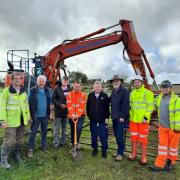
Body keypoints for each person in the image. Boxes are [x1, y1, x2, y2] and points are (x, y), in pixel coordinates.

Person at [0, 72, 30, 169]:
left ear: (21, 80)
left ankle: (17, 156)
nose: (18, 80)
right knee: (9, 141)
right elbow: (2, 107)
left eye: (19, 78)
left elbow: (26, 105)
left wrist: (28, 117)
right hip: (11, 121)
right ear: (12, 80)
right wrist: (3, 120)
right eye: (16, 78)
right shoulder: (6, 91)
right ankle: (3, 161)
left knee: (20, 140)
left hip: (22, 120)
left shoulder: (23, 91)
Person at [150, 80, 180, 172]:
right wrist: (150, 113)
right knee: (162, 147)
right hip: (162, 127)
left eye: (166, 87)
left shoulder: (176, 100)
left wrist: (177, 128)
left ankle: (171, 163)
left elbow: (178, 114)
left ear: (170, 88)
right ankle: (159, 165)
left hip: (174, 129)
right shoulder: (159, 98)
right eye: (163, 87)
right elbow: (154, 107)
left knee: (173, 148)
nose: (164, 89)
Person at [128, 75, 154, 164]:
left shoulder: (148, 93)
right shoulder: (132, 93)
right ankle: (133, 154)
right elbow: (130, 106)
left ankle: (143, 157)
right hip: (133, 120)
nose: (136, 83)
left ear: (141, 83)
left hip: (143, 121)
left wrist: (146, 117)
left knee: (143, 139)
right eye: (135, 82)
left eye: (138, 82)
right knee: (133, 138)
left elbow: (150, 106)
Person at [27, 75, 52, 157]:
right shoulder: (32, 90)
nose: (41, 83)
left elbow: (50, 103)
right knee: (33, 133)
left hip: (45, 116)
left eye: (43, 81)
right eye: (40, 81)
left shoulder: (48, 90)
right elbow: (27, 104)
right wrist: (29, 116)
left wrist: (51, 113)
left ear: (45, 82)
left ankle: (43, 146)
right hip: (35, 116)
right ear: (37, 82)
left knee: (44, 132)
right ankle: (30, 149)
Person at [87, 81, 110, 158]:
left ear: (101, 87)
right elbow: (87, 106)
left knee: (103, 136)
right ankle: (95, 149)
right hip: (93, 120)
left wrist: (107, 117)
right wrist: (89, 115)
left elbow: (107, 108)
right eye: (95, 86)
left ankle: (104, 151)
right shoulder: (90, 95)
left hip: (102, 120)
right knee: (94, 136)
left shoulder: (104, 95)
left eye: (98, 86)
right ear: (93, 87)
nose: (97, 88)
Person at [110, 75, 130, 161]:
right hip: (114, 117)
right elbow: (109, 100)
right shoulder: (114, 91)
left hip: (121, 118)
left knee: (119, 136)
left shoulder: (124, 91)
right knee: (117, 135)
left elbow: (126, 105)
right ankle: (119, 150)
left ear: (120, 81)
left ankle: (120, 153)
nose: (115, 82)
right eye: (114, 81)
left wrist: (123, 116)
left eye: (117, 81)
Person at [66, 81, 87, 150]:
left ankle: (76, 142)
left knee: (78, 128)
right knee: (72, 130)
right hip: (71, 116)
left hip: (80, 116)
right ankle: (73, 144)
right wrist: (72, 114)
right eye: (75, 86)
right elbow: (69, 105)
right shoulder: (69, 94)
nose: (77, 88)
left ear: (80, 87)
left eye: (78, 87)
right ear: (73, 86)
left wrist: (77, 115)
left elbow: (82, 105)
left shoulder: (83, 95)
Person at [52, 76, 71, 148]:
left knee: (64, 129)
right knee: (57, 129)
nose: (65, 82)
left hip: (66, 113)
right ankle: (56, 143)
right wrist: (60, 105)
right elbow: (53, 99)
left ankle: (63, 142)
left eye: (66, 81)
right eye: (64, 81)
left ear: (68, 82)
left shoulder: (69, 90)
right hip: (58, 112)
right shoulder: (57, 89)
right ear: (61, 81)